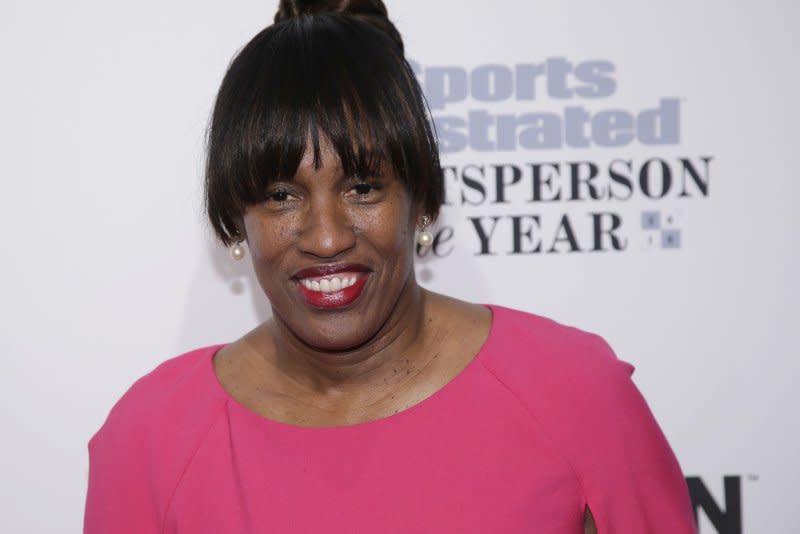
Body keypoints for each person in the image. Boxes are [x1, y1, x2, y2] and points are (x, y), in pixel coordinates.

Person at [84, 1, 697, 532]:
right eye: (280, 196)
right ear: (230, 221)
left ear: (423, 199)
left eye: (362, 188)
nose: (326, 238)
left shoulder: (573, 394)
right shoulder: (152, 441)